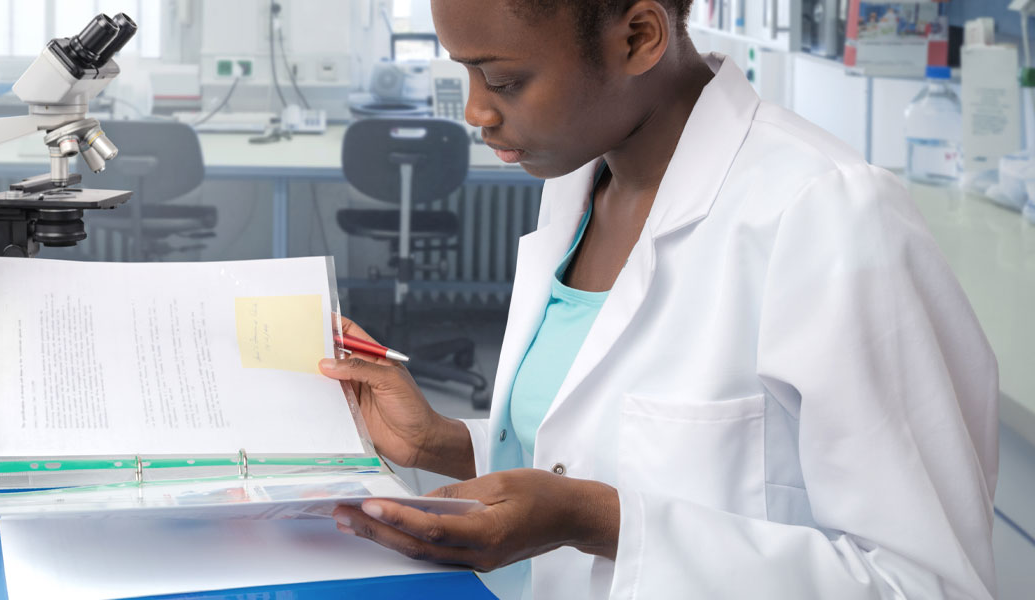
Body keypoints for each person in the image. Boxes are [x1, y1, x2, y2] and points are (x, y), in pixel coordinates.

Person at [319, 1, 999, 598]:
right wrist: (439, 442)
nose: (476, 112)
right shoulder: (577, 182)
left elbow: (927, 585)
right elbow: (598, 452)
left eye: (505, 80)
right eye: (465, 73)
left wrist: (592, 521)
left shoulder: (827, 214)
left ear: (639, 36)